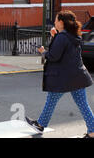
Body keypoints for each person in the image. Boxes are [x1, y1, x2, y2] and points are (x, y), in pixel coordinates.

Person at [25, 10, 94, 138]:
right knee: (83, 105)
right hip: (77, 76)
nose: (54, 22)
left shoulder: (63, 37)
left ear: (61, 22)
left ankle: (40, 124)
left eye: (56, 20)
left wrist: (42, 51)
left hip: (64, 78)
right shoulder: (72, 34)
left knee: (51, 100)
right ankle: (92, 131)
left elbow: (53, 56)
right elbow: (64, 50)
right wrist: (55, 37)